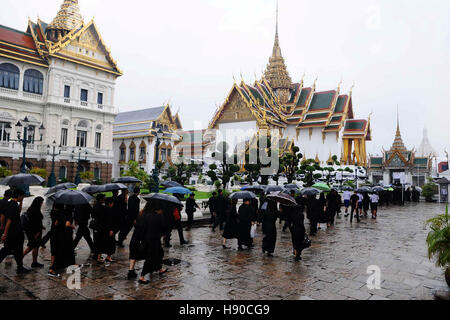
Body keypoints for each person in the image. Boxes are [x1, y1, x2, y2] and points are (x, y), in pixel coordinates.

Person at [0, 189, 29, 274]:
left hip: (13, 232)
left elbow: (15, 213)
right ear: (19, 195)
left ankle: (20, 267)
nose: (23, 198)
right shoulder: (13, 205)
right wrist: (5, 234)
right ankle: (20, 268)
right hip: (15, 232)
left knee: (14, 250)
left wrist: (21, 202)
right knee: (10, 250)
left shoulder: (10, 203)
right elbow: (9, 220)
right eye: (22, 196)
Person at [139, 202, 167, 284]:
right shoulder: (159, 217)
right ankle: (142, 276)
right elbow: (163, 227)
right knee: (150, 257)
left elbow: (144, 228)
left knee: (159, 253)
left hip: (148, 239)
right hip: (154, 239)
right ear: (160, 210)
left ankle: (159, 268)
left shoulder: (148, 215)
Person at [22, 196, 45, 268]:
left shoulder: (31, 209)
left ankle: (34, 262)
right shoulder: (35, 211)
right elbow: (35, 223)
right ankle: (20, 258)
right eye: (41, 202)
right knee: (31, 246)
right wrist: (37, 233)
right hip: (34, 232)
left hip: (32, 231)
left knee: (35, 246)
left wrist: (41, 226)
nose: (42, 204)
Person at [93, 196, 116, 264]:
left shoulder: (100, 208)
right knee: (111, 243)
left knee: (100, 243)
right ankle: (108, 257)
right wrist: (111, 229)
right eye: (112, 203)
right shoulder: (109, 210)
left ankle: (99, 258)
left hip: (101, 229)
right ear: (109, 203)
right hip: (108, 229)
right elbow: (110, 221)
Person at [128, 206, 146, 280]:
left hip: (135, 237)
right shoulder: (148, 216)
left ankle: (131, 271)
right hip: (141, 238)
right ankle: (144, 274)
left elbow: (135, 223)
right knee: (149, 254)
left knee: (133, 254)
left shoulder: (140, 214)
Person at [48, 203, 64, 277]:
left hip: (53, 232)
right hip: (57, 234)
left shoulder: (52, 212)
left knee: (53, 250)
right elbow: (56, 223)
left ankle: (53, 265)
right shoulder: (59, 214)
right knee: (56, 250)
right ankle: (52, 269)